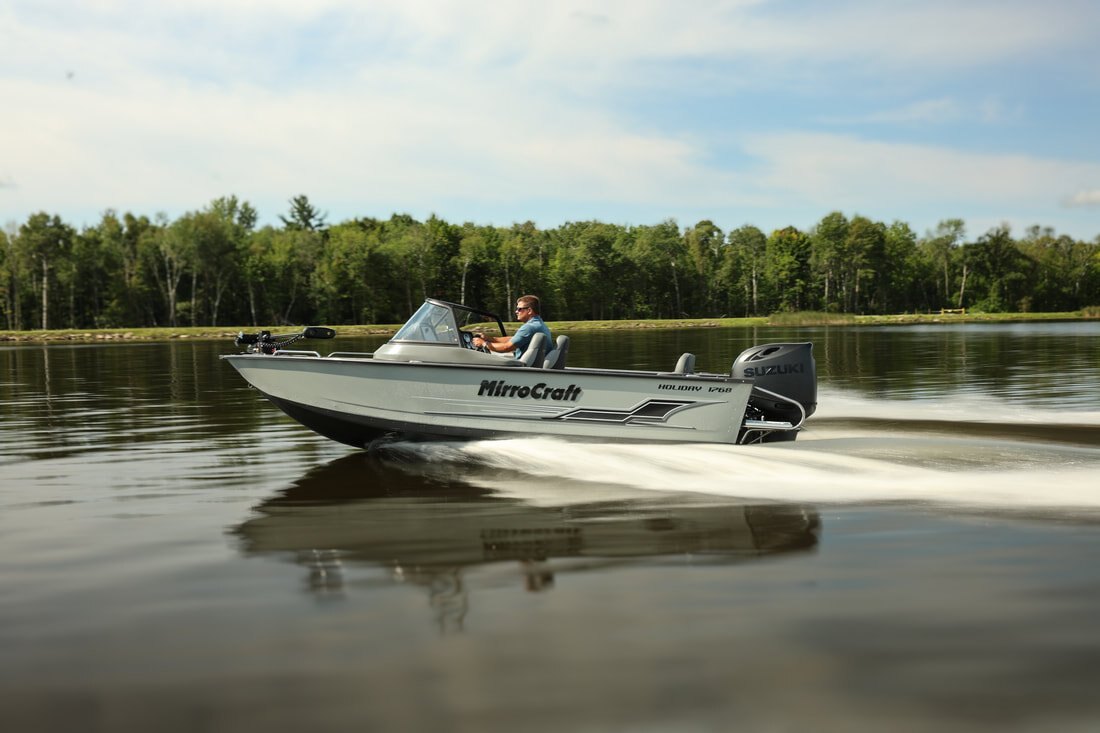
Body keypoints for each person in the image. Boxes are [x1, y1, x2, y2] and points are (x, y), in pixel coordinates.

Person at [473, 295, 553, 360]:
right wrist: (489, 339)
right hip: (533, 366)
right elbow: (514, 339)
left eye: (519, 309)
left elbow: (506, 347)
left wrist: (483, 344)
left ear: (529, 311)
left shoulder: (529, 327)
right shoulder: (540, 324)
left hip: (523, 368)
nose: (516, 311)